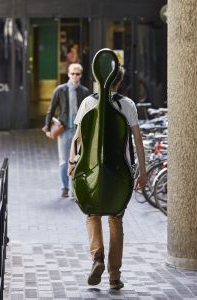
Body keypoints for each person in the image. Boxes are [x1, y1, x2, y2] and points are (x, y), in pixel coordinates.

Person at [68, 65, 147, 289]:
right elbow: (138, 142)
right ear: (119, 81)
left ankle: (97, 258)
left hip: (91, 171)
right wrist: (142, 171)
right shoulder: (127, 104)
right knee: (116, 219)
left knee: (92, 214)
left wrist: (72, 163)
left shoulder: (88, 103)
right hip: (120, 173)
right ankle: (114, 276)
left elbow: (77, 138)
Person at [43, 63, 91, 198]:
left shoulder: (84, 91)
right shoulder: (60, 90)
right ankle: (65, 187)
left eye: (78, 74)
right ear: (68, 74)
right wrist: (47, 127)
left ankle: (75, 188)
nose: (75, 76)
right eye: (72, 73)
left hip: (79, 131)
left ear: (81, 75)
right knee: (64, 161)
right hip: (64, 130)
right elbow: (51, 109)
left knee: (78, 160)